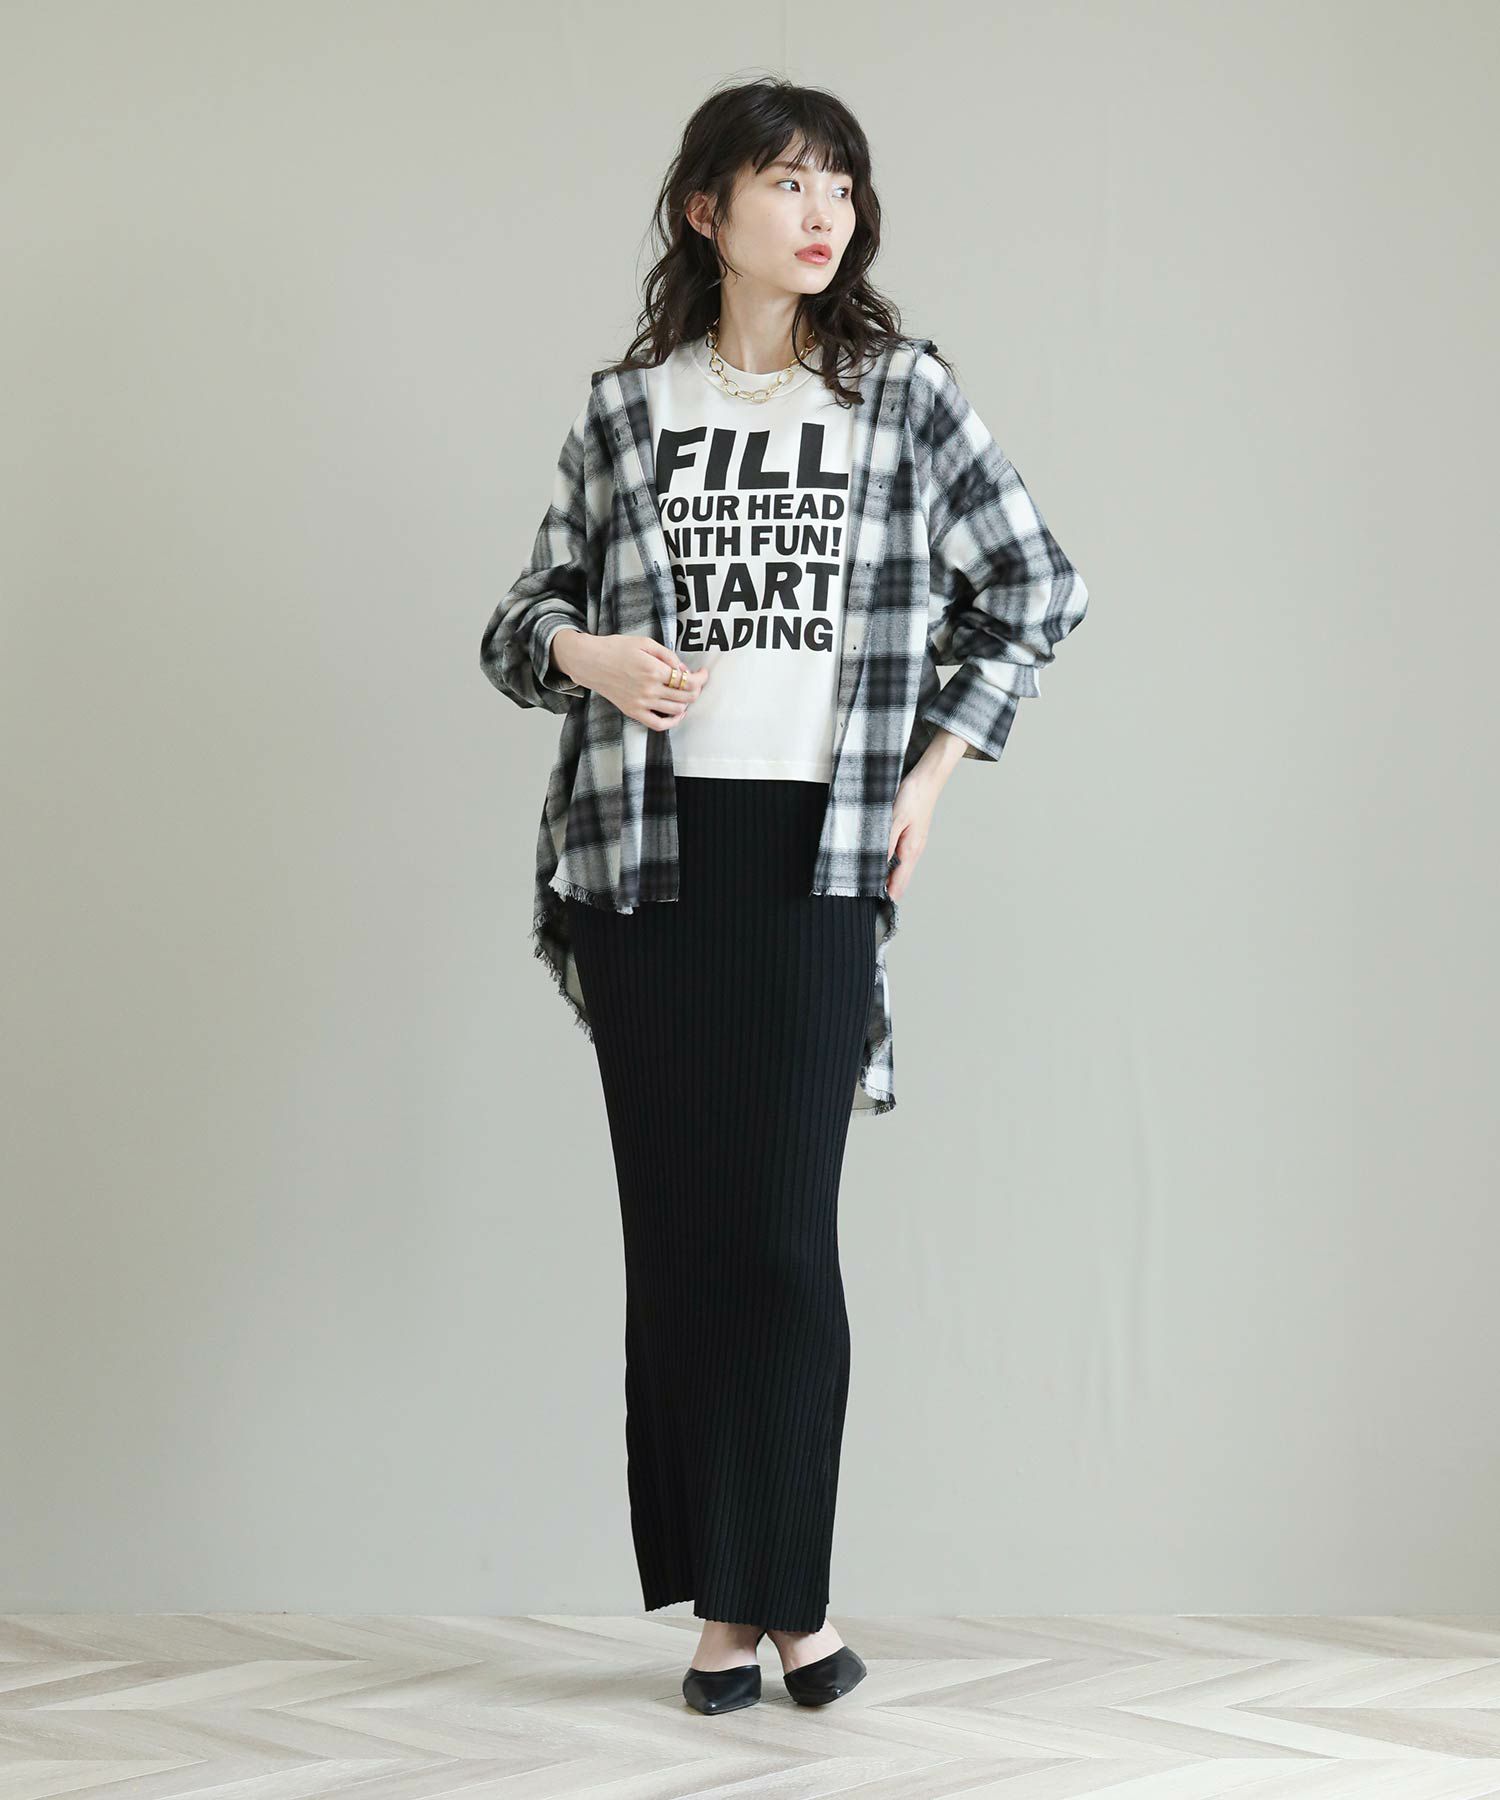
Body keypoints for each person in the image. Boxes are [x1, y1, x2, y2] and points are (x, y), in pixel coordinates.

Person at [480, 77, 1090, 1715]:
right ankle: (723, 1614)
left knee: (780, 1237)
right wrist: (591, 655)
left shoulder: (899, 397)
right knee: (684, 1239)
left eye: (841, 184)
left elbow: (1038, 585)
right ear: (709, 211)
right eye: (787, 182)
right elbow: (516, 621)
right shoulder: (629, 411)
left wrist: (930, 776)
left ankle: (790, 1599)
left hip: (814, 854)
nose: (824, 213)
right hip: (642, 857)